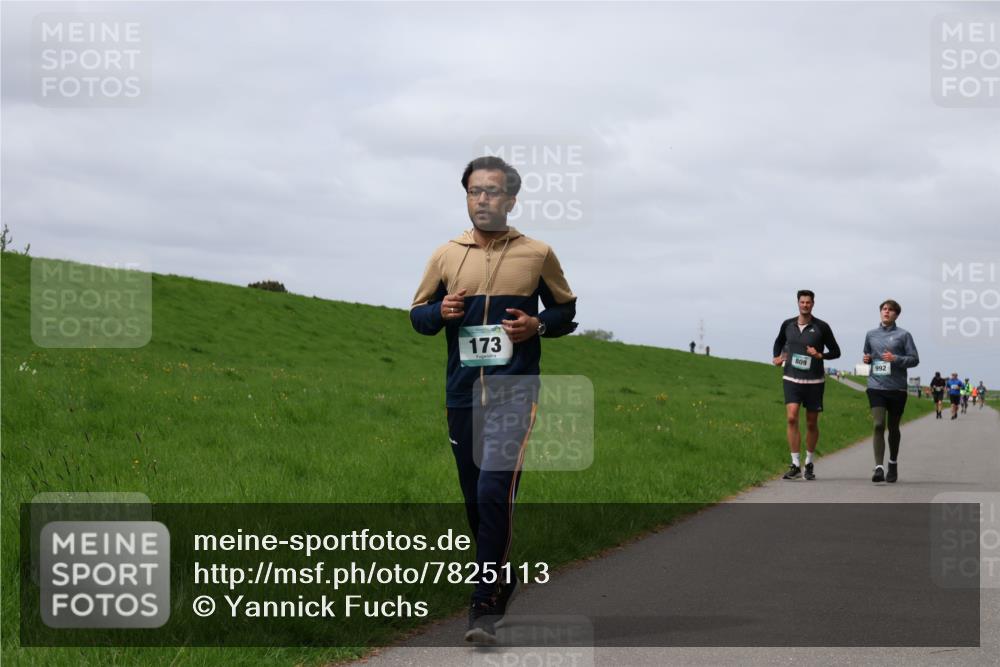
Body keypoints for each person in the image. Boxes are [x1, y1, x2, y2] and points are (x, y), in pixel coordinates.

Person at [410, 156, 577, 644]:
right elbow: (418, 315)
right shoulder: (445, 254)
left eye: (492, 192)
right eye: (474, 191)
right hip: (461, 393)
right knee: (474, 499)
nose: (482, 199)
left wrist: (538, 325)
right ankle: (499, 576)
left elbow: (566, 308)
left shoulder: (537, 252)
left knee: (492, 491)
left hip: (514, 391)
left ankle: (483, 601)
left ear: (510, 200)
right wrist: (441, 311)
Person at [772, 290, 841, 481]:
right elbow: (778, 342)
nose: (805, 305)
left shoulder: (822, 327)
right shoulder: (787, 324)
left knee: (811, 422)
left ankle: (809, 462)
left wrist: (820, 355)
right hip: (791, 379)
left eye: (808, 302)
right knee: (792, 417)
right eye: (802, 302)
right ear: (797, 303)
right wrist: (777, 357)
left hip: (814, 381)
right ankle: (795, 464)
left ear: (813, 304)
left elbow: (836, 351)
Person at [862, 300, 920, 483]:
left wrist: (895, 358)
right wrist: (867, 359)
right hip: (875, 386)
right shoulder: (870, 334)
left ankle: (892, 463)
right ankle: (879, 467)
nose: (886, 312)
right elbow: (867, 355)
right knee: (878, 424)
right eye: (884, 309)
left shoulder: (904, 335)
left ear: (896, 314)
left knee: (893, 427)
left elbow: (914, 359)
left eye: (890, 310)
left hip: (897, 388)